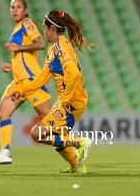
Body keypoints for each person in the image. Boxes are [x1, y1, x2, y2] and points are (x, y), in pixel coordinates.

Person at [10, 10, 94, 173]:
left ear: (52, 28)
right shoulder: (54, 48)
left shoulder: (60, 47)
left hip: (71, 102)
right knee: (56, 136)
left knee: (37, 134)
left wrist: (66, 100)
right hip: (72, 100)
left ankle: (79, 142)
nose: (44, 32)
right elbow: (42, 78)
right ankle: (77, 166)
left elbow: (73, 73)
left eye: (44, 28)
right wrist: (22, 90)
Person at [0, 0, 51, 165]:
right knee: (3, 113)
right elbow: (23, 60)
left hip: (32, 80)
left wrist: (17, 47)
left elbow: (41, 43)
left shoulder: (27, 23)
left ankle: (76, 145)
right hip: (19, 81)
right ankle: (5, 152)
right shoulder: (16, 28)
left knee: (50, 121)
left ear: (25, 10)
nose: (14, 10)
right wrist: (11, 67)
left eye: (18, 7)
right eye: (12, 7)